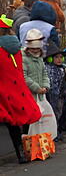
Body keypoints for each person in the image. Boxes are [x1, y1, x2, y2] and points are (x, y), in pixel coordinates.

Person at [0, 15, 41, 163]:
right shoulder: (16, 46)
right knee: (24, 116)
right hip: (19, 86)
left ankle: (20, 152)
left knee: (11, 121)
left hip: (4, 88)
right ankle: (24, 147)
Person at [44, 48, 66, 137]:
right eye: (56, 57)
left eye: (61, 57)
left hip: (61, 96)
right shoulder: (49, 69)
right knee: (53, 115)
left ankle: (57, 131)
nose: (59, 59)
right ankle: (53, 134)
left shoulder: (62, 69)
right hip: (52, 96)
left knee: (58, 114)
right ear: (50, 59)